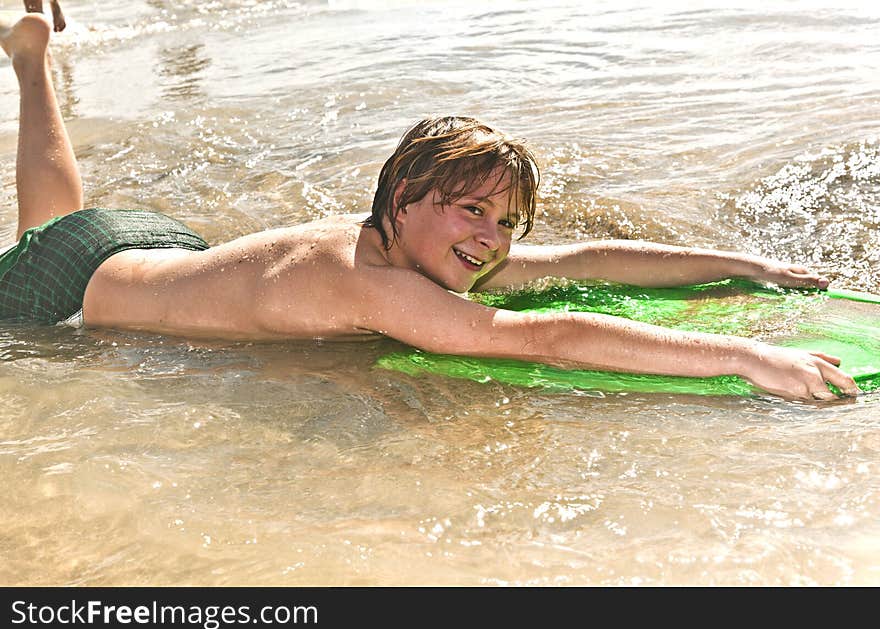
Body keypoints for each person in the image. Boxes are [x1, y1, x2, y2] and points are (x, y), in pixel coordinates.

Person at [0, 13, 861, 401]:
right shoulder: (362, 278)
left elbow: (580, 263)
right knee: (40, 237)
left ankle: (33, 67)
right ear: (405, 201)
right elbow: (542, 336)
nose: (491, 237)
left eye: (504, 223)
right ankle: (32, 68)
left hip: (157, 247)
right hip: (73, 294)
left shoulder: (395, 249)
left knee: (51, 220)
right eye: (471, 211)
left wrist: (739, 265)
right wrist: (745, 357)